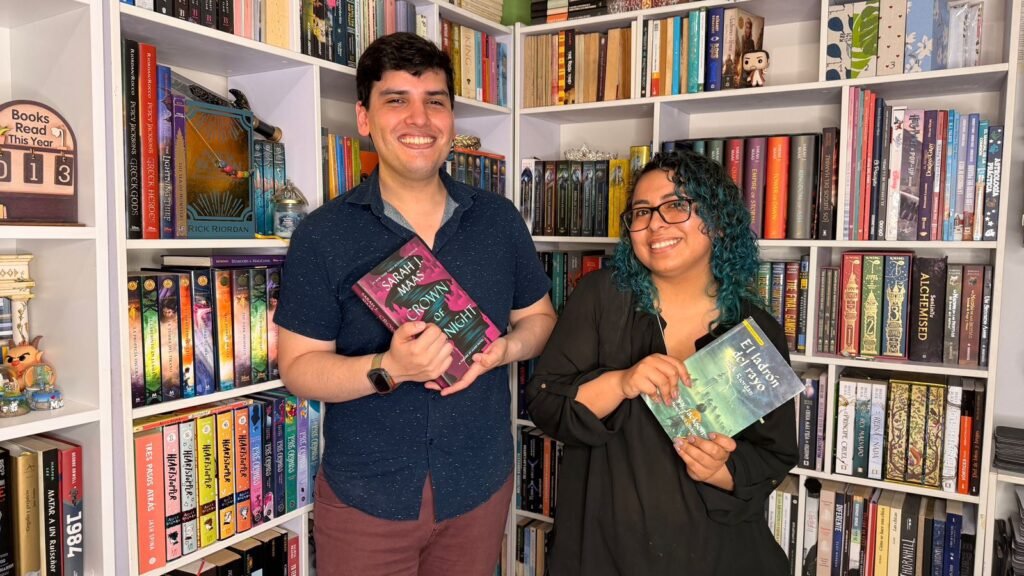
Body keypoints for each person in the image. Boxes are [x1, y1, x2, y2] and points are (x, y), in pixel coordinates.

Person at [274, 32, 556, 576]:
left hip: (478, 487)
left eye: (435, 101)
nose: (419, 119)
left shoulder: (498, 220)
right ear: (364, 117)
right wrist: (389, 368)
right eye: (396, 100)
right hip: (367, 499)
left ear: (451, 118)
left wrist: (505, 349)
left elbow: (540, 319)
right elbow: (300, 369)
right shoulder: (323, 235)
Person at [526, 149, 797, 576]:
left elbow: (774, 455)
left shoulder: (755, 330)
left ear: (718, 221)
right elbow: (545, 404)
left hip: (717, 554)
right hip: (605, 551)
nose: (655, 225)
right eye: (641, 212)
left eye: (675, 206)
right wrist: (621, 382)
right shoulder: (600, 297)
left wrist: (721, 470)